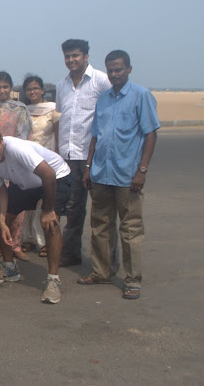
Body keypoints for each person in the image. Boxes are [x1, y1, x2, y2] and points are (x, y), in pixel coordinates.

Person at [78, 50, 159, 300]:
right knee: (100, 226)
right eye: (110, 70)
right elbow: (95, 136)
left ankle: (132, 279)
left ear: (129, 69)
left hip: (127, 176)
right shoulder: (103, 98)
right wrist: (89, 167)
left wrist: (141, 171)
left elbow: (150, 134)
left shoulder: (141, 96)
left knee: (130, 229)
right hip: (101, 174)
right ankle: (101, 272)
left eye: (118, 69)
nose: (114, 74)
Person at [0, 125, 70, 304]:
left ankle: (53, 279)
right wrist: (1, 220)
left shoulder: (18, 149)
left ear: (2, 141)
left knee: (50, 223)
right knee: (2, 220)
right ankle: (10, 268)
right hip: (24, 182)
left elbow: (48, 175)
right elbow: (0, 191)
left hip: (54, 177)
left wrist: (49, 210)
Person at [55, 39, 113, 268]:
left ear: (86, 56)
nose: (71, 60)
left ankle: (107, 263)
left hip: (94, 156)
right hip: (68, 156)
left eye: (75, 55)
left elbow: (111, 114)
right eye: (67, 56)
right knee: (73, 209)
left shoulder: (101, 80)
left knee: (102, 212)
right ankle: (70, 253)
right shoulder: (62, 85)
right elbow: (61, 119)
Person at [0, 71, 33, 261]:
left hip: (15, 161)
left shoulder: (20, 109)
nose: (2, 90)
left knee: (17, 207)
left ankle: (15, 245)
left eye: (5, 87)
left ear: (11, 87)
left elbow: (24, 135)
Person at [22, 74, 61, 257]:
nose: (32, 92)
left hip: (46, 160)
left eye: (36, 88)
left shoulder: (53, 109)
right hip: (26, 161)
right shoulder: (23, 110)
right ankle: (27, 238)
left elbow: (58, 135)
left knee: (43, 203)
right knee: (27, 203)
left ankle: (43, 241)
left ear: (42, 90)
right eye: (29, 89)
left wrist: (58, 158)